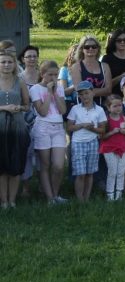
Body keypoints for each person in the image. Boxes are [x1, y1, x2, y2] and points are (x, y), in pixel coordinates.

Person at [30, 61, 68, 204]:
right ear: (42, 74)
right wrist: (48, 93)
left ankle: (55, 194)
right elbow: (43, 111)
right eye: (50, 74)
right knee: (45, 164)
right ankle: (49, 197)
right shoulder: (35, 89)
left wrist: (55, 93)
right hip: (43, 127)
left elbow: (63, 111)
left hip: (58, 128)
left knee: (58, 165)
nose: (53, 77)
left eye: (55, 74)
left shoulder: (59, 88)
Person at [0, 50, 32, 208]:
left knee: (15, 162)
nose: (6, 65)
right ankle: (3, 201)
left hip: (17, 126)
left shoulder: (20, 81)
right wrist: (5, 107)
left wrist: (18, 107)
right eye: (3, 62)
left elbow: (27, 106)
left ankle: (12, 200)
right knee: (1, 165)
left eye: (9, 62)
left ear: (14, 64)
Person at [66, 81, 107, 203]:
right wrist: (82, 125)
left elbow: (102, 130)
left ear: (93, 93)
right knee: (80, 173)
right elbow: (69, 127)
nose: (85, 96)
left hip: (93, 142)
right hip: (78, 143)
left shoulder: (99, 110)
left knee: (90, 173)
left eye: (87, 93)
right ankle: (80, 199)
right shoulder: (75, 109)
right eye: (81, 94)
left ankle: (86, 198)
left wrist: (93, 129)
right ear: (79, 96)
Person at [99, 95, 125, 201]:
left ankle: (119, 194)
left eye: (120, 105)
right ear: (108, 107)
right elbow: (102, 137)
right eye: (115, 106)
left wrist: (124, 131)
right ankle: (110, 195)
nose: (118, 108)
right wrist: (113, 132)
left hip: (122, 147)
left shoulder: (124, 118)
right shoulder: (106, 120)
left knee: (121, 172)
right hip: (109, 148)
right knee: (112, 171)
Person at [70, 34, 112, 106]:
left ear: (98, 48)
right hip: (82, 105)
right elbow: (79, 89)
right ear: (82, 49)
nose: (91, 49)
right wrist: (100, 91)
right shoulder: (76, 67)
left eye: (94, 47)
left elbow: (108, 90)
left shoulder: (105, 66)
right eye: (87, 47)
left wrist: (87, 92)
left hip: (101, 105)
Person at [58, 43, 80, 113]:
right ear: (71, 55)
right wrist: (76, 85)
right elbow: (63, 92)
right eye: (75, 54)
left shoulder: (87, 68)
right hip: (70, 102)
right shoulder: (64, 69)